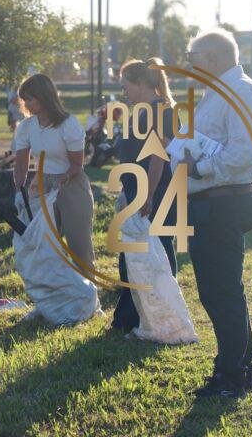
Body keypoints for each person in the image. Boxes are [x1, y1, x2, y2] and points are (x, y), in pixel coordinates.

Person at [181, 29, 252, 397]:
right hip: (209, 202)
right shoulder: (215, 93)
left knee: (223, 292)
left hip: (225, 201)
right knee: (216, 292)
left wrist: (198, 168)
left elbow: (246, 152)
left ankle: (236, 375)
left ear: (213, 58)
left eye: (193, 56)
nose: (189, 63)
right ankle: (233, 370)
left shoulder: (242, 91)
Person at [111, 57, 179, 332]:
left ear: (141, 84)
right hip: (134, 192)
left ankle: (162, 318)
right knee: (131, 256)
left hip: (156, 194)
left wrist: (148, 196)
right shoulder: (139, 112)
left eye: (126, 86)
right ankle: (129, 318)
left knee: (158, 254)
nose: (124, 92)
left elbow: (158, 158)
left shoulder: (163, 110)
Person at [12, 73, 97, 290]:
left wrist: (61, 179)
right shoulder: (27, 127)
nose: (26, 104)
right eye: (25, 99)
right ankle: (52, 292)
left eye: (30, 98)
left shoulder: (67, 124)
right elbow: (21, 162)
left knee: (79, 243)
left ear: (44, 96)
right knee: (45, 242)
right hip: (42, 184)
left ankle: (86, 291)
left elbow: (77, 165)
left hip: (71, 183)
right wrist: (19, 189)